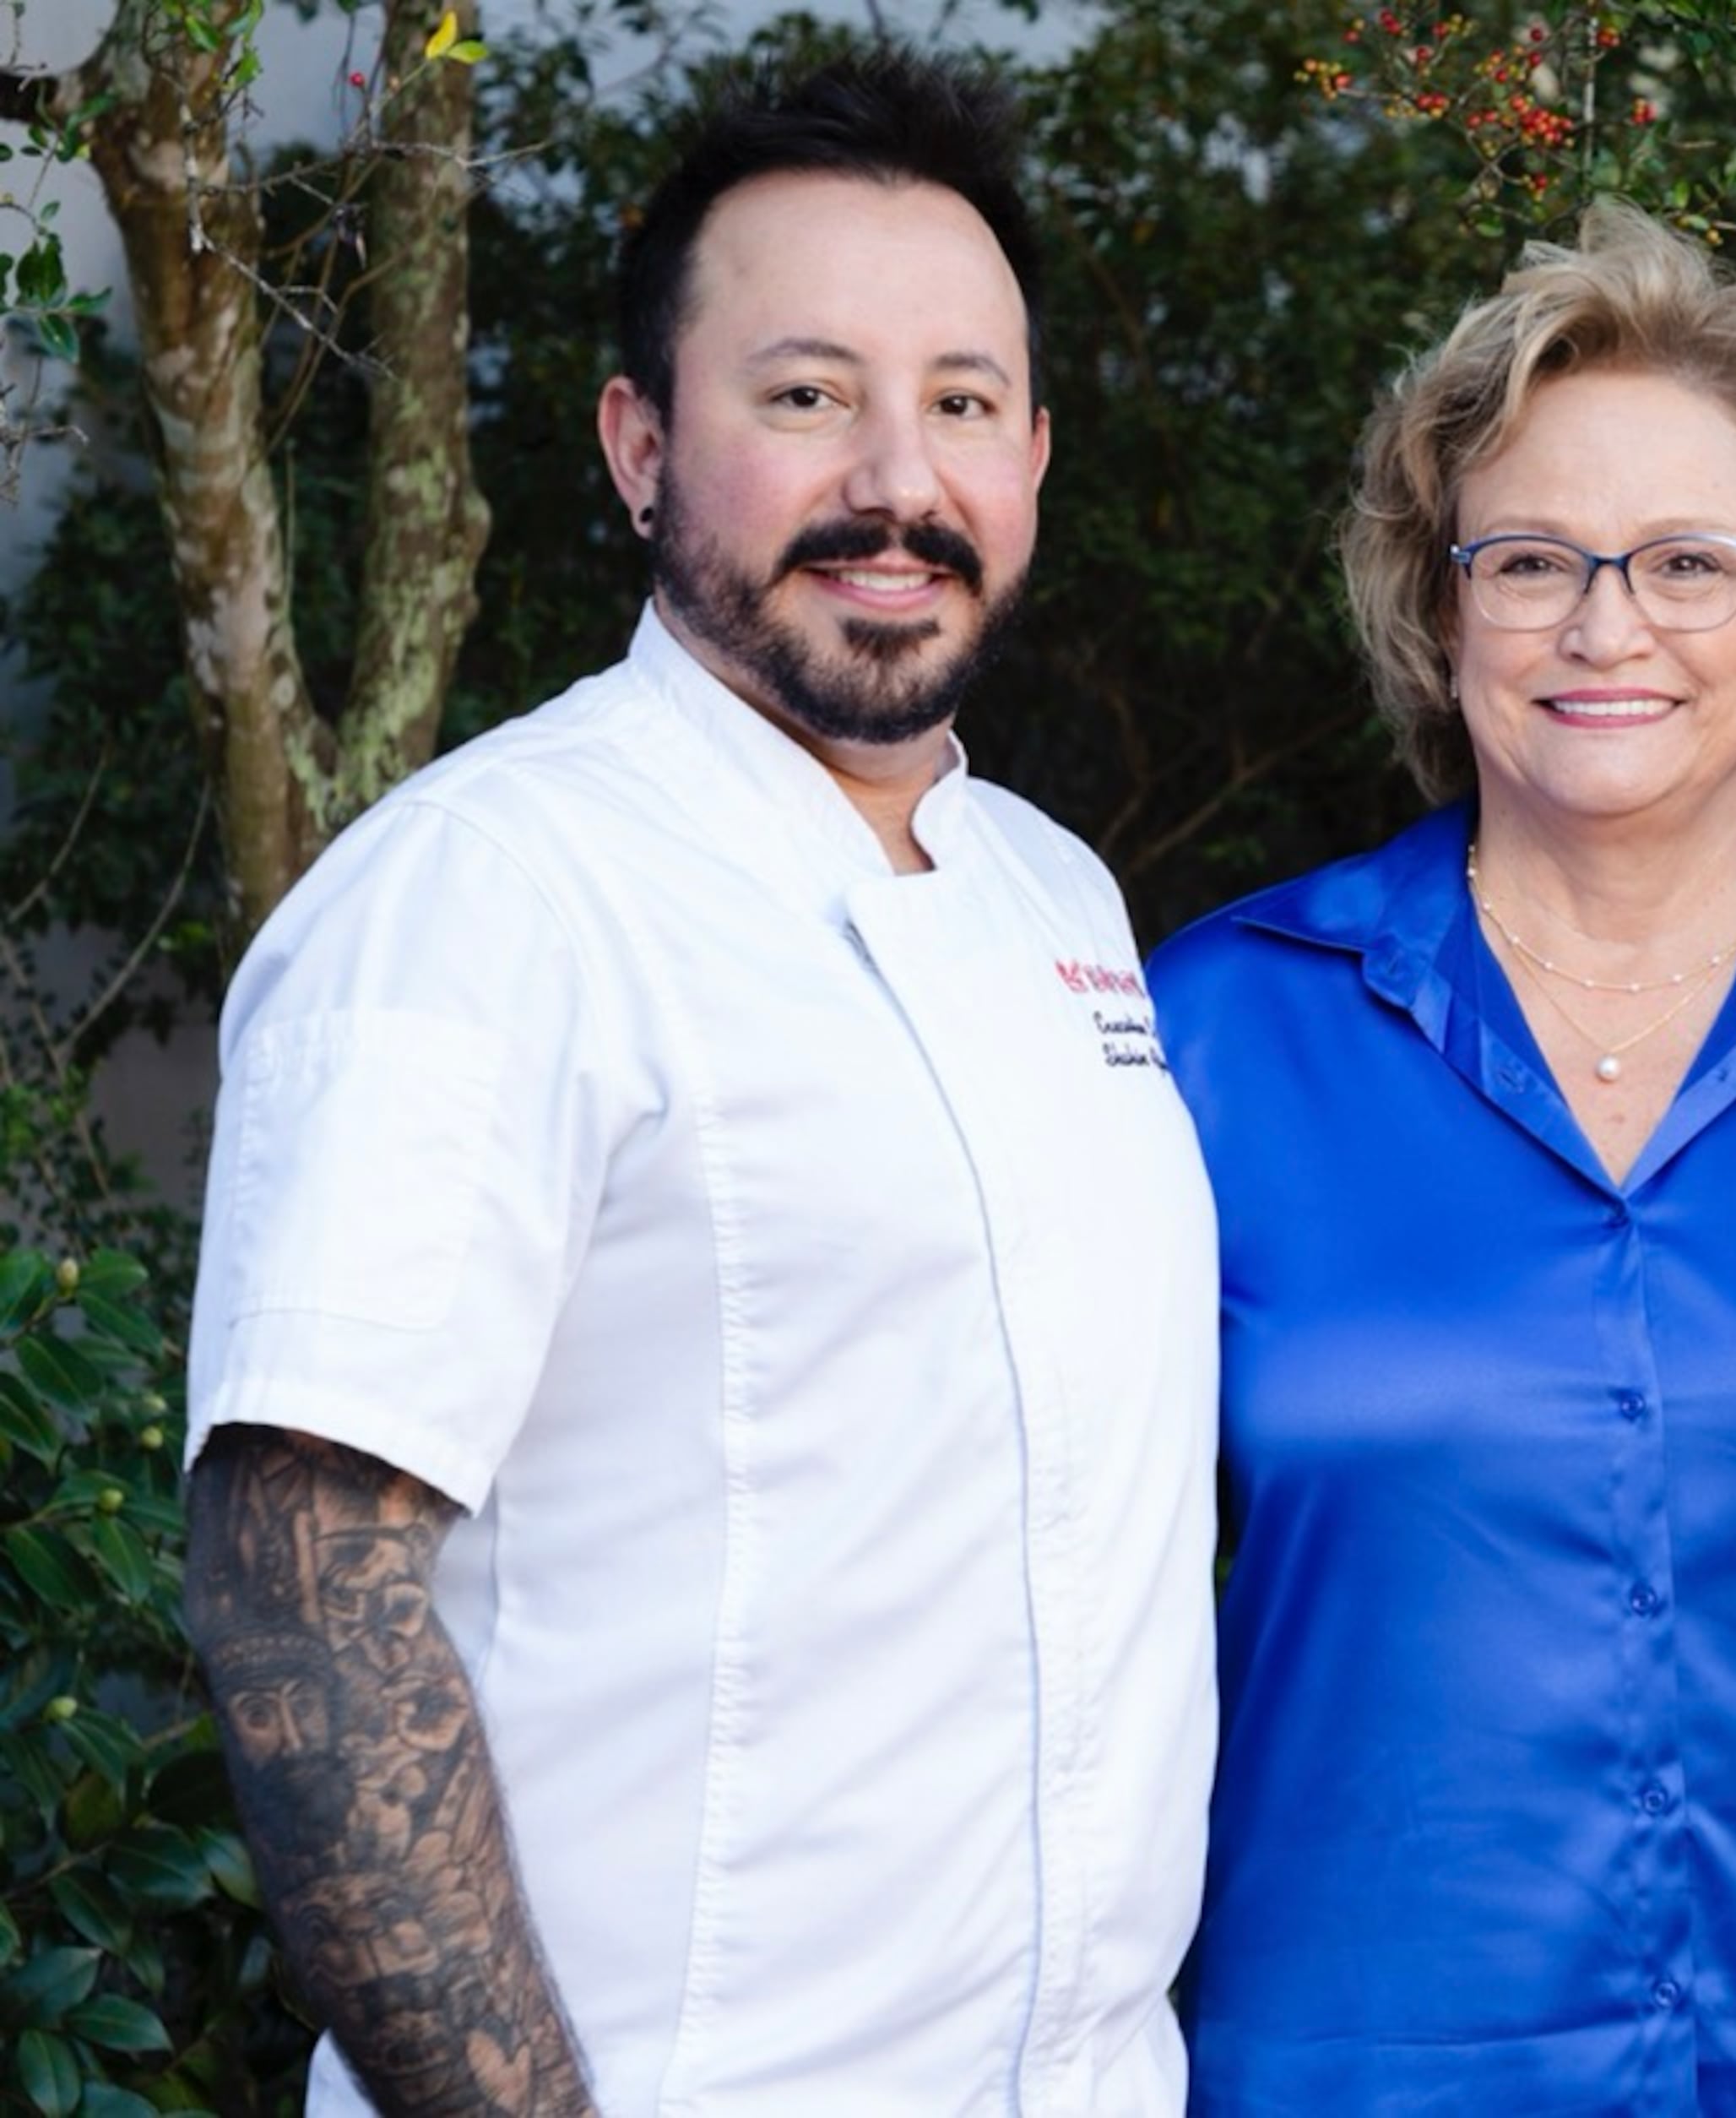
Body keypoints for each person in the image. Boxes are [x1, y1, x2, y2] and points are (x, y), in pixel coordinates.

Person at [180, 51, 1216, 2115]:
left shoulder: (1056, 895)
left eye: (963, 402)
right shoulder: (488, 894)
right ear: (640, 444)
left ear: (1034, 456)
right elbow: (304, 1604)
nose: (896, 483)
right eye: (808, 394)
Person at [1145, 203, 1736, 2115]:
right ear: (1439, 610)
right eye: (1530, 562)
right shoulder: (1215, 1033)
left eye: (1688, 561)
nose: (1608, 627)